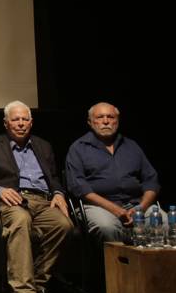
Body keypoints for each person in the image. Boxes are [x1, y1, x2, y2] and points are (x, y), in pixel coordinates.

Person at [0, 101, 73, 293]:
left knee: (63, 225)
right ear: (6, 123)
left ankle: (39, 283)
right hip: (10, 201)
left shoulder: (43, 146)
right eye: (15, 119)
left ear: (31, 122)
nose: (20, 124)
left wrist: (58, 193)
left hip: (43, 199)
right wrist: (0, 190)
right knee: (21, 220)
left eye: (24, 119)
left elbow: (54, 177)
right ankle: (23, 291)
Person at [65, 102, 162, 243]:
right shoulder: (78, 148)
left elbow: (152, 181)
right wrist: (116, 210)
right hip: (99, 207)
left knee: (163, 220)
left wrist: (141, 208)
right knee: (107, 226)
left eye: (110, 117)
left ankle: (152, 264)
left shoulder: (131, 146)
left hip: (136, 204)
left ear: (117, 120)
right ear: (90, 122)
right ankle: (119, 264)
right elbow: (79, 188)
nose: (105, 121)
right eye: (100, 117)